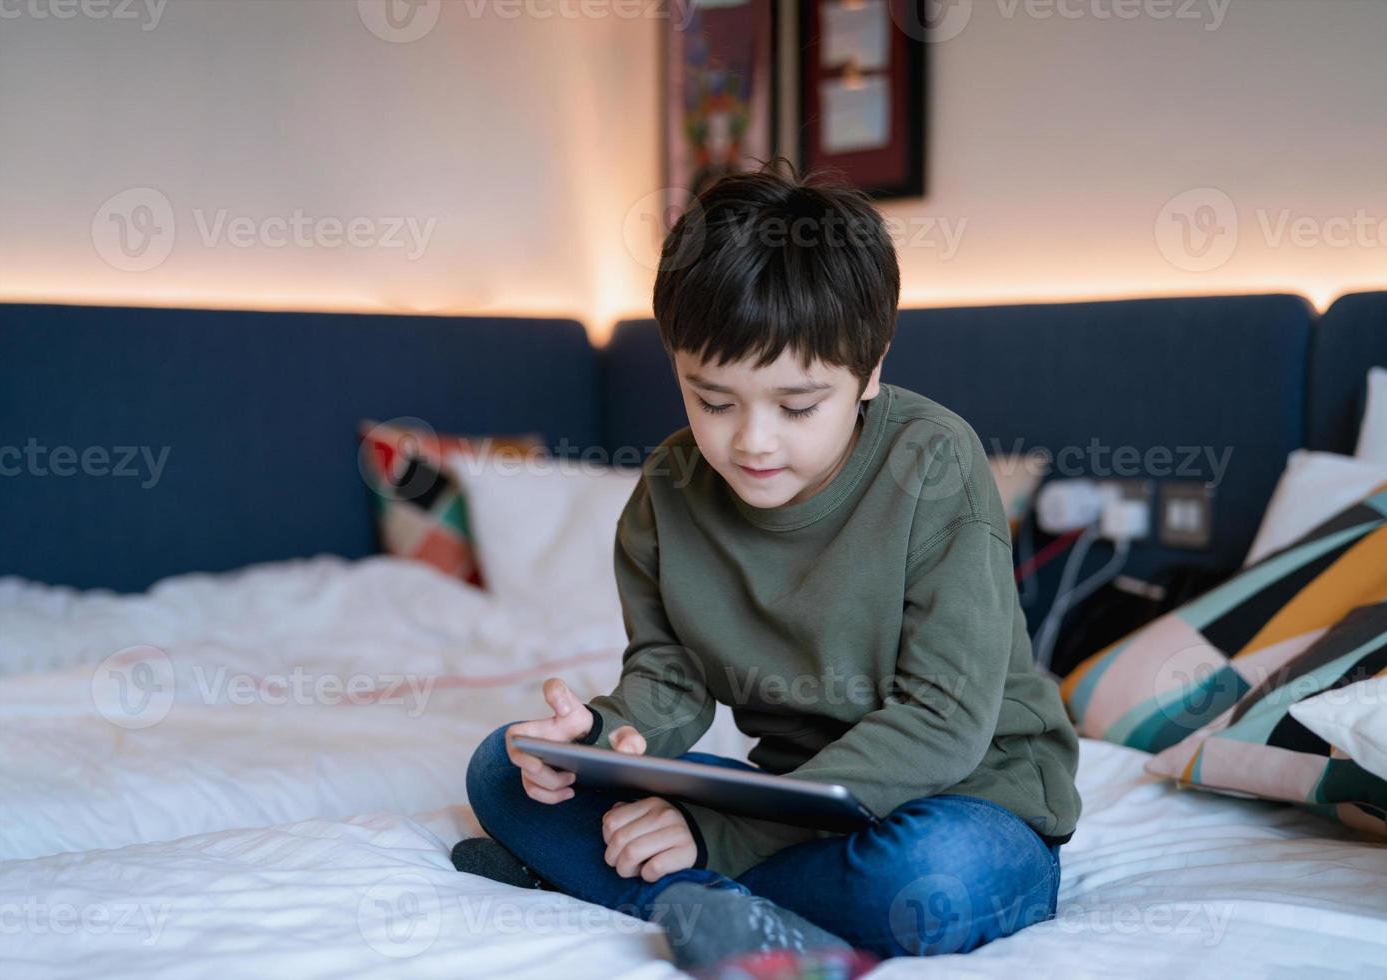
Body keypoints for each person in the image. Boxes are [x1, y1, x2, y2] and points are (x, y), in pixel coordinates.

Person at [456, 157, 1082, 973]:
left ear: (873, 365)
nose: (750, 442)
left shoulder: (933, 464)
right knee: (505, 768)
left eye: (797, 407)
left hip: (969, 799)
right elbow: (669, 676)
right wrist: (602, 737)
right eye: (712, 401)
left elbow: (942, 722)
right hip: (792, 795)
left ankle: (635, 884)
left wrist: (723, 831)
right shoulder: (671, 490)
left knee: (931, 879)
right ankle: (726, 905)